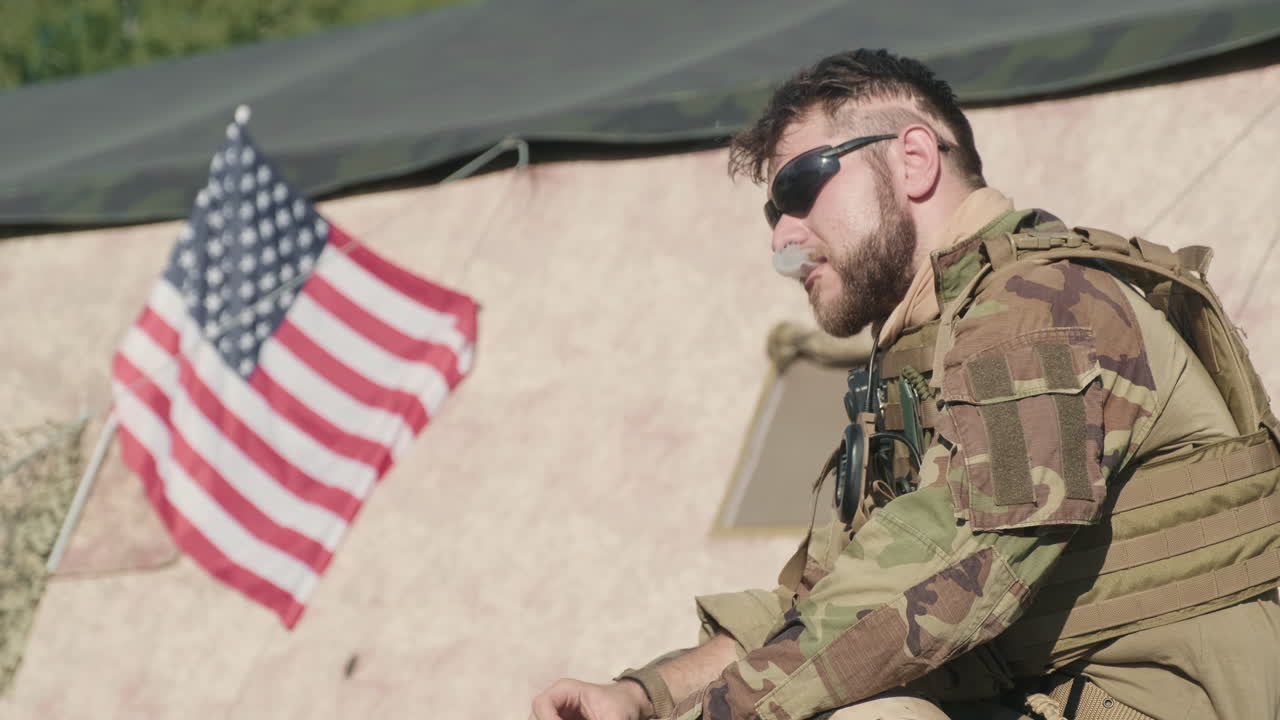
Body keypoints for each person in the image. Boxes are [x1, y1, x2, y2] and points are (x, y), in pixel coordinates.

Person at [530, 48, 1280, 720]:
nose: (782, 237)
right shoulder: (917, 359)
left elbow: (950, 569)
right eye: (773, 210)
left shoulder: (1042, 311)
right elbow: (819, 605)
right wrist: (647, 696)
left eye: (801, 184)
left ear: (914, 159)